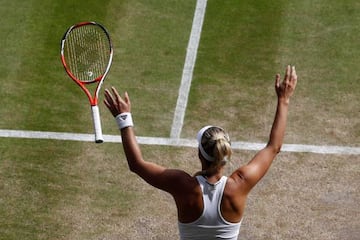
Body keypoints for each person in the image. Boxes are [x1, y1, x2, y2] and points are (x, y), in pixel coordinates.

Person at [104, 65, 297, 240]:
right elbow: (274, 147)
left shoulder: (182, 185)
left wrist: (124, 119)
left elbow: (137, 164)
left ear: (199, 154)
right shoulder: (239, 185)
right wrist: (284, 99)